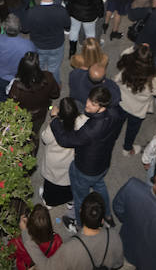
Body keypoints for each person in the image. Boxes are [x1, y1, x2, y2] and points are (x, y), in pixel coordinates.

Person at [49, 86, 124, 221]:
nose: (87, 104)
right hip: (103, 163)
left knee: (80, 198)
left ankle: (79, 224)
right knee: (100, 186)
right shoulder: (115, 114)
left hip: (86, 169)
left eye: (93, 104)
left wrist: (55, 119)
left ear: (102, 106)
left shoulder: (92, 129)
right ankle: (107, 214)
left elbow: (66, 140)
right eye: (89, 99)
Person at [17, 192, 124, 270]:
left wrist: (26, 233)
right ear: (102, 220)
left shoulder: (69, 249)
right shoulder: (114, 236)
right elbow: (118, 264)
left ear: (80, 213)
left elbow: (46, 267)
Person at [112, 169, 156, 270]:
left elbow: (117, 207)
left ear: (155, 186)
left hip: (127, 247)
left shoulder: (133, 186)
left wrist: (129, 220)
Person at [113, 43, 156, 155]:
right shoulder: (153, 79)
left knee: (117, 123)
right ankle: (127, 148)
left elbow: (123, 54)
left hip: (121, 102)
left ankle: (113, 137)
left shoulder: (126, 66)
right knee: (132, 130)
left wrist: (135, 48)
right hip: (137, 110)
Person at [8, 51, 61, 151]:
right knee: (35, 133)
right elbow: (55, 94)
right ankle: (33, 151)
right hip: (40, 114)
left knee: (21, 134)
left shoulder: (17, 87)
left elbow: (10, 104)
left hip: (22, 116)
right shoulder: (48, 77)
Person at [38, 97, 85, 208]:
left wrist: (53, 119)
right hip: (72, 159)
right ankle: (70, 200)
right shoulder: (82, 122)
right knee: (70, 180)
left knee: (52, 182)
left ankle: (49, 202)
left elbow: (45, 138)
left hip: (55, 161)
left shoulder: (55, 126)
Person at [23, 0, 73, 76]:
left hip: (38, 46)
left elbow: (25, 29)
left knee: (38, 69)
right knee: (54, 70)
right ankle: (54, 87)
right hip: (57, 45)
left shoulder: (32, 12)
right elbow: (67, 25)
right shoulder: (61, 10)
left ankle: (40, 87)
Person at [0, 14, 38, 103]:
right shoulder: (28, 45)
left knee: (1, 97)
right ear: (19, 28)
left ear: (4, 28)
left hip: (3, 75)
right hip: (20, 77)